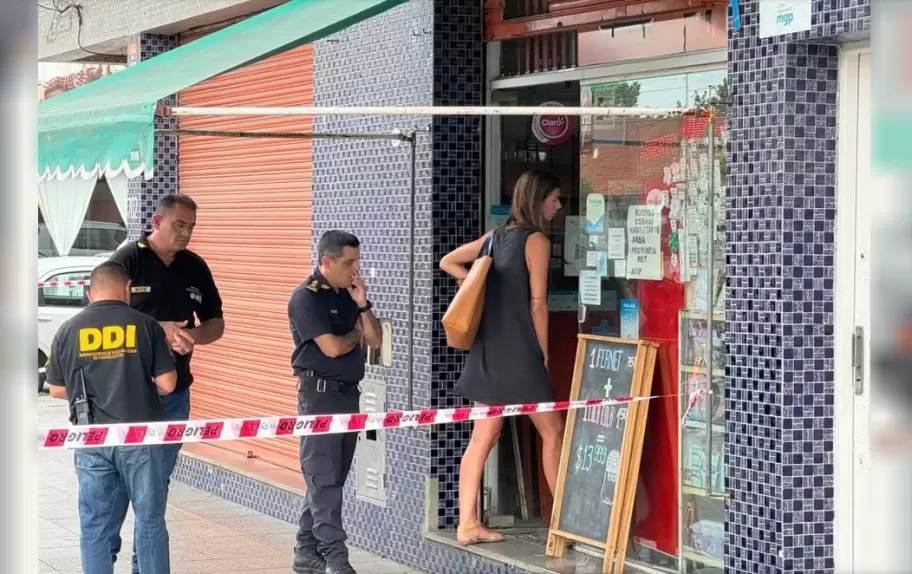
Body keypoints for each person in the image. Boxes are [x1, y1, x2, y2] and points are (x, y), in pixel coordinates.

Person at [439, 168, 567, 545]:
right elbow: (539, 302)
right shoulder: (536, 241)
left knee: (483, 436)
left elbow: (449, 260)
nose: (558, 206)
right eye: (554, 198)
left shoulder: (494, 238)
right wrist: (542, 352)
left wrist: (472, 283)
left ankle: (467, 524)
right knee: (553, 432)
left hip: (488, 353)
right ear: (537, 200)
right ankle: (562, 523)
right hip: (521, 354)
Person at [107, 194, 224, 572]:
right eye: (179, 225)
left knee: (155, 486)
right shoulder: (129, 260)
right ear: (157, 222)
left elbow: (216, 323)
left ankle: (144, 566)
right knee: (115, 488)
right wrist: (159, 330)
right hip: (126, 394)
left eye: (191, 227)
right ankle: (103, 557)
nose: (187, 233)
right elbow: (102, 319)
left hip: (174, 394)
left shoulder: (194, 267)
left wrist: (194, 336)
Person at [45, 261, 178, 574]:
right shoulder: (145, 325)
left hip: (91, 439)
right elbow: (168, 384)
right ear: (127, 289)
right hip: (140, 438)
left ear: (89, 293)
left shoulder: (68, 329)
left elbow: (55, 389)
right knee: (149, 521)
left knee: (95, 525)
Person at [288, 230, 382, 574]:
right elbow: (333, 348)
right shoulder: (305, 298)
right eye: (349, 262)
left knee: (331, 479)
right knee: (324, 480)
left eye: (357, 261)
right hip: (320, 396)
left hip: (347, 395)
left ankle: (305, 551)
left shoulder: (349, 295)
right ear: (326, 262)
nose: (355, 269)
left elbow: (374, 340)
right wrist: (355, 334)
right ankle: (337, 560)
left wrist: (362, 304)